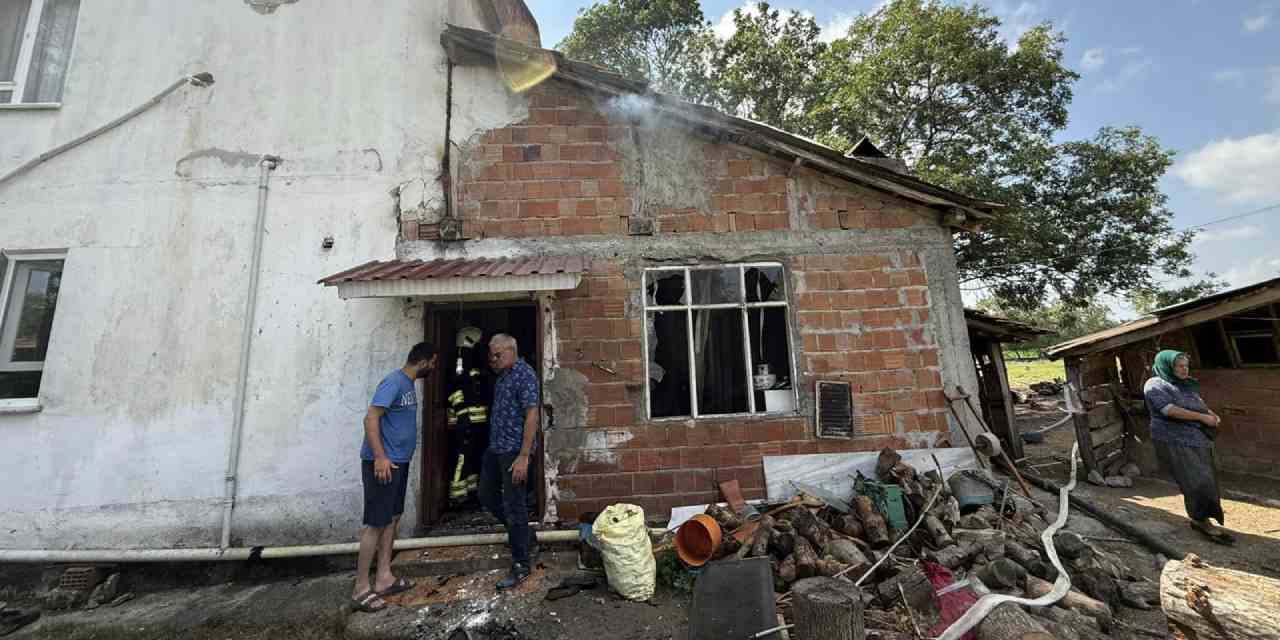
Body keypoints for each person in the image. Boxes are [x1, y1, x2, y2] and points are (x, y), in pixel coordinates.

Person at [351, 342, 437, 612]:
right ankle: (360, 588)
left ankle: (384, 577)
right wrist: (379, 457)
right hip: (383, 464)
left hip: (398, 462)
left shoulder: (409, 385)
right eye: (433, 363)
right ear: (423, 361)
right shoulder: (394, 382)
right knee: (375, 523)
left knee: (392, 519)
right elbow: (371, 418)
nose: (433, 367)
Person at [1143, 349, 1235, 545]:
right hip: (1174, 440)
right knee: (1196, 481)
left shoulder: (1184, 385)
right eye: (1179, 366)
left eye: (1186, 366)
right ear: (1167, 366)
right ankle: (1201, 520)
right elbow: (1169, 410)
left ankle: (1203, 518)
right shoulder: (1155, 385)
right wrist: (1203, 418)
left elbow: (1198, 403)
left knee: (1206, 478)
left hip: (1197, 438)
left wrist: (1212, 415)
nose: (1184, 370)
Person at [481, 333, 541, 590]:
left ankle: (521, 564)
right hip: (496, 449)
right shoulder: (503, 376)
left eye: (497, 355)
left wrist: (524, 456)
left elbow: (531, 416)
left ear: (511, 351)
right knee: (486, 496)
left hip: (515, 452)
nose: (492, 360)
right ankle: (526, 536)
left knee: (514, 504)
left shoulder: (524, 375)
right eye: (491, 356)